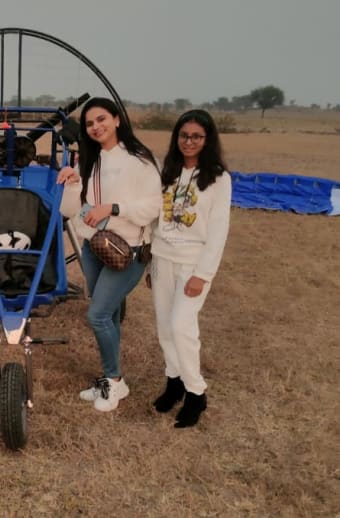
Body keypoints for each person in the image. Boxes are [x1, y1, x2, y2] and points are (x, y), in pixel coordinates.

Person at [57, 97, 162, 412]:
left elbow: (155, 207)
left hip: (126, 250)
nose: (95, 127)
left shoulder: (141, 161)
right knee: (110, 314)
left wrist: (114, 208)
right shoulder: (89, 161)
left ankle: (114, 382)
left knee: (98, 315)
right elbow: (68, 211)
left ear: (117, 120)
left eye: (101, 119)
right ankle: (111, 378)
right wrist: (73, 184)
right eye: (89, 124)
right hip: (93, 247)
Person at [146, 109, 231, 427]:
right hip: (162, 258)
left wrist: (202, 275)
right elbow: (158, 220)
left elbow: (219, 231)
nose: (189, 141)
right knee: (165, 328)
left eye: (196, 136)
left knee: (182, 326)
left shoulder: (219, 178)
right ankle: (174, 382)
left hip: (193, 265)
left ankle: (196, 394)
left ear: (207, 140)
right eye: (183, 135)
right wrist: (151, 264)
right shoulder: (168, 170)